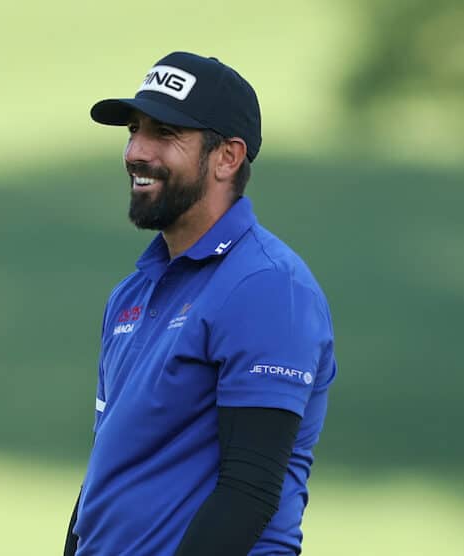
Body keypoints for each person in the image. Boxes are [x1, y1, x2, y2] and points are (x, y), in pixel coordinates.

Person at [64, 51, 337, 556]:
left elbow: (248, 493)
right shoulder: (132, 294)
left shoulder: (267, 286)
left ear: (227, 157)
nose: (135, 151)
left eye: (164, 133)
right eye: (133, 129)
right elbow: (105, 475)